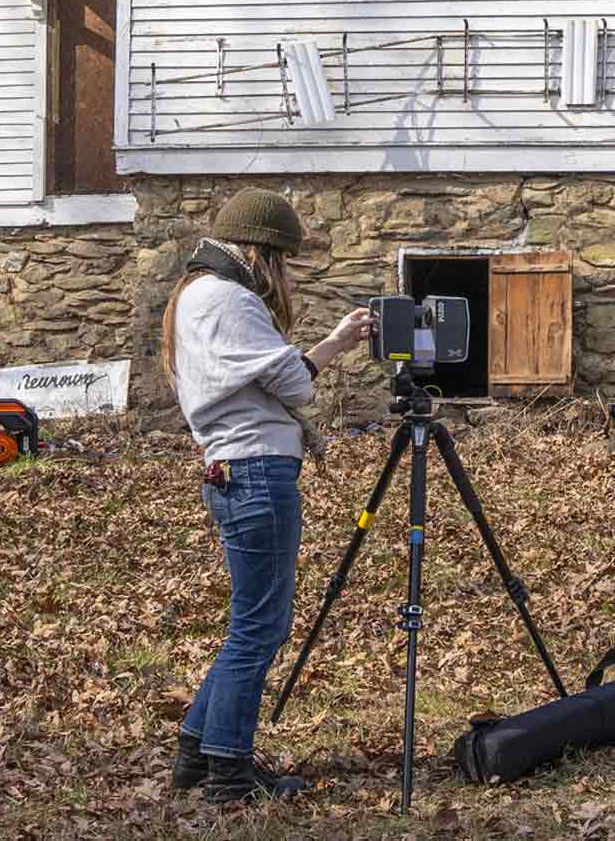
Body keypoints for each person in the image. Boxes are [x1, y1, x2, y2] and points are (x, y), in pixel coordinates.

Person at [160, 189, 373, 808]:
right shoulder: (226, 297)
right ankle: (229, 771)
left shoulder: (198, 295)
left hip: (237, 466)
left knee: (250, 623)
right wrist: (333, 344)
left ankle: (197, 751)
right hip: (255, 468)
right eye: (281, 259)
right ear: (262, 251)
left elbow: (272, 373)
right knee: (260, 627)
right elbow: (293, 381)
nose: (281, 274)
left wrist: (329, 341)